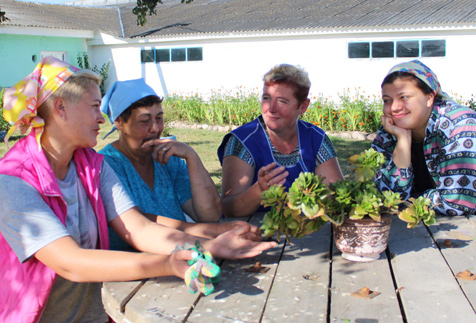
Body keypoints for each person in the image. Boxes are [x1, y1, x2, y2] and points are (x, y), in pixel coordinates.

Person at [0, 57, 276, 322]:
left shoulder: (92, 166)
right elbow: (69, 261)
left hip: (95, 314)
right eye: (95, 106)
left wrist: (211, 247)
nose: (101, 118)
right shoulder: (13, 181)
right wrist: (169, 264)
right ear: (60, 108)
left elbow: (139, 229)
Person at [99, 78, 249, 250]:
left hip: (183, 256)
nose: (155, 128)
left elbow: (210, 215)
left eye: (159, 118)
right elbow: (137, 221)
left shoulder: (167, 160)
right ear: (119, 122)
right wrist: (213, 231)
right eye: (144, 121)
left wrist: (192, 157)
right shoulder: (107, 165)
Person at [217, 63, 344, 217]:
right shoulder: (243, 141)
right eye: (266, 98)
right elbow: (228, 208)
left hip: (309, 234)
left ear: (303, 106)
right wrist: (259, 190)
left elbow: (337, 193)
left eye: (282, 101)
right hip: (253, 235)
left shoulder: (315, 138)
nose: (271, 108)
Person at [372, 59, 476, 217]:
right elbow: (380, 196)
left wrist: (406, 201)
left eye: (404, 97)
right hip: (425, 227)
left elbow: (455, 203)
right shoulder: (390, 131)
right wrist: (403, 141)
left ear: (429, 98)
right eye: (387, 100)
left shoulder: (461, 125)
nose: (394, 107)